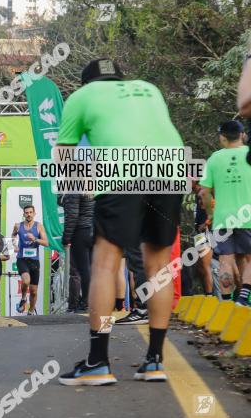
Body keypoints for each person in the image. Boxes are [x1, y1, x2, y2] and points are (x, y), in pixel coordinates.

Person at [56, 58, 183, 386]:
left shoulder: (81, 98)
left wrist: (84, 190)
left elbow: (65, 156)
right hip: (170, 170)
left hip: (122, 173)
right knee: (157, 266)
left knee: (105, 264)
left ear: (87, 83)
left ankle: (98, 361)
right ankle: (155, 360)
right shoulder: (149, 89)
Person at [200, 120, 251, 305]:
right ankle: (245, 296)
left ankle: (227, 303)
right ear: (243, 135)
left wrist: (211, 214)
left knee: (225, 260)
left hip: (222, 219)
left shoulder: (214, 158)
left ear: (222, 137)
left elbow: (204, 192)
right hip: (248, 217)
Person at [11, 204, 48, 315]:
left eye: (30, 212)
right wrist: (14, 246)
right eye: (26, 213)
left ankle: (31, 312)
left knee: (33, 291)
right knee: (26, 280)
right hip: (22, 258)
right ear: (24, 214)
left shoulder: (39, 226)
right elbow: (12, 236)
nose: (28, 214)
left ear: (34, 213)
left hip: (34, 261)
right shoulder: (18, 226)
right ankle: (23, 298)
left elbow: (46, 243)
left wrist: (36, 239)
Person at [61, 192, 94, 313]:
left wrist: (66, 238)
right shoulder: (92, 188)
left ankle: (85, 302)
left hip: (81, 231)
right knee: (91, 269)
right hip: (94, 230)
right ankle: (90, 301)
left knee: (81, 270)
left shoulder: (73, 189)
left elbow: (72, 216)